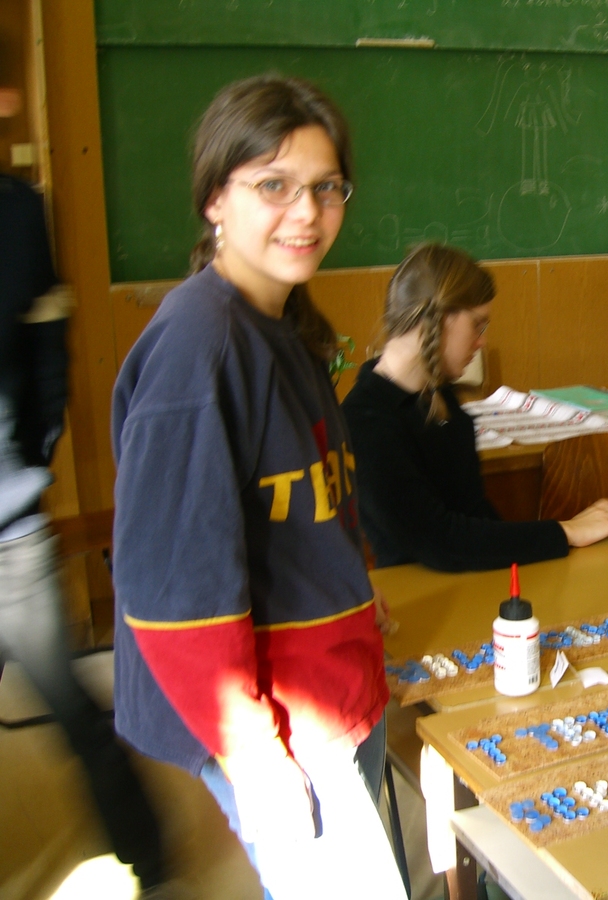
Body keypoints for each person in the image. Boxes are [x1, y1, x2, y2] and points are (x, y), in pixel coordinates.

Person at [111, 74, 404, 899]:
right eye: (274, 186)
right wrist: (257, 760)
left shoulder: (283, 325)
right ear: (215, 199)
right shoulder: (199, 348)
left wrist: (351, 584)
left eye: (326, 188)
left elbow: (295, 500)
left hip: (325, 683)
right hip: (278, 719)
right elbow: (174, 592)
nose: (306, 212)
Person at [0, 86, 169, 895]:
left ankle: (153, 862)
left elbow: (46, 352)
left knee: (71, 707)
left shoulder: (15, 212)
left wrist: (29, 460)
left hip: (9, 524)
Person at [342, 242, 608, 571]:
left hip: (471, 583)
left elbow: (476, 519)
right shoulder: (364, 421)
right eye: (477, 325)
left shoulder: (441, 398)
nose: (481, 341)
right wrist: (566, 532)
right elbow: (440, 541)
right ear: (438, 319)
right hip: (422, 595)